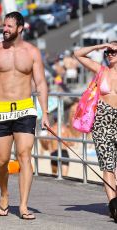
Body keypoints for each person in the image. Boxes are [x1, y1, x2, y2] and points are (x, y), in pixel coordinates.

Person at [0, 11, 49, 220]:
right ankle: (4, 194)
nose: (5, 29)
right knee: (1, 160)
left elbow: (41, 83)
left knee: (25, 156)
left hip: (25, 109)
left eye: (9, 26)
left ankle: (24, 205)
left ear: (20, 28)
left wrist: (44, 112)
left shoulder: (32, 52)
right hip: (0, 110)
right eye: (4, 26)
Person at [74, 41, 117, 223]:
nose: (110, 54)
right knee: (107, 165)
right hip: (103, 121)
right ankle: (114, 206)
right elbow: (78, 54)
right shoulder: (101, 71)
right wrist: (99, 46)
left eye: (114, 51)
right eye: (108, 52)